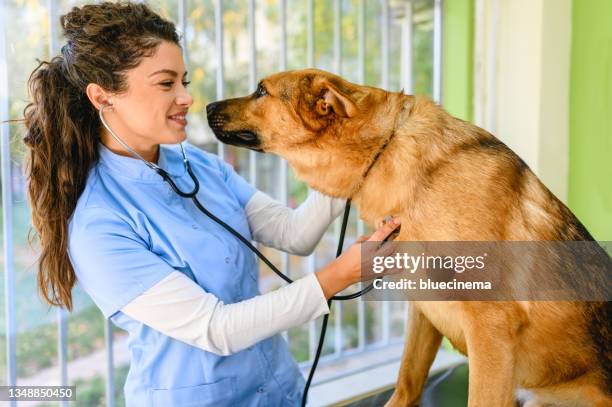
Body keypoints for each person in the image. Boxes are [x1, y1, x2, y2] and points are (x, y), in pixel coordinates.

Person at [22, 2, 400, 406]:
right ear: (102, 96)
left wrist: (344, 154)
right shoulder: (99, 224)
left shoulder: (198, 164)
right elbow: (217, 328)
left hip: (277, 392)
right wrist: (342, 274)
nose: (186, 97)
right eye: (166, 84)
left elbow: (295, 234)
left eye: (183, 81)